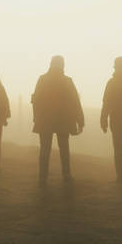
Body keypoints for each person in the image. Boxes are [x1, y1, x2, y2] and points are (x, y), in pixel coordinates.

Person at [31, 55, 84, 185]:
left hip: (45, 120)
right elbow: (75, 102)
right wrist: (80, 121)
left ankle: (42, 178)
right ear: (62, 65)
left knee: (45, 150)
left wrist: (36, 118)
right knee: (64, 149)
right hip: (63, 121)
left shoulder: (42, 79)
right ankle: (66, 175)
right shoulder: (67, 81)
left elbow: (35, 100)